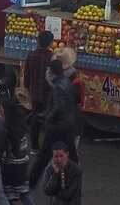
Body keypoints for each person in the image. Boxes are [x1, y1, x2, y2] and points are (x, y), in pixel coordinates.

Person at [31, 58, 85, 187]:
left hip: (57, 126)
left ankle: (32, 181)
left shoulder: (58, 87)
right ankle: (76, 179)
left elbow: (59, 108)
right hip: (68, 124)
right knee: (72, 154)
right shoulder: (67, 82)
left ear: (52, 71)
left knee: (44, 156)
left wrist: (47, 116)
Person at [0, 94, 35, 205]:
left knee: (9, 195)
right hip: (22, 165)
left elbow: (2, 148)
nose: (0, 112)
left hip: (11, 167)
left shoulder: (8, 130)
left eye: (1, 111)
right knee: (23, 192)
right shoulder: (20, 124)